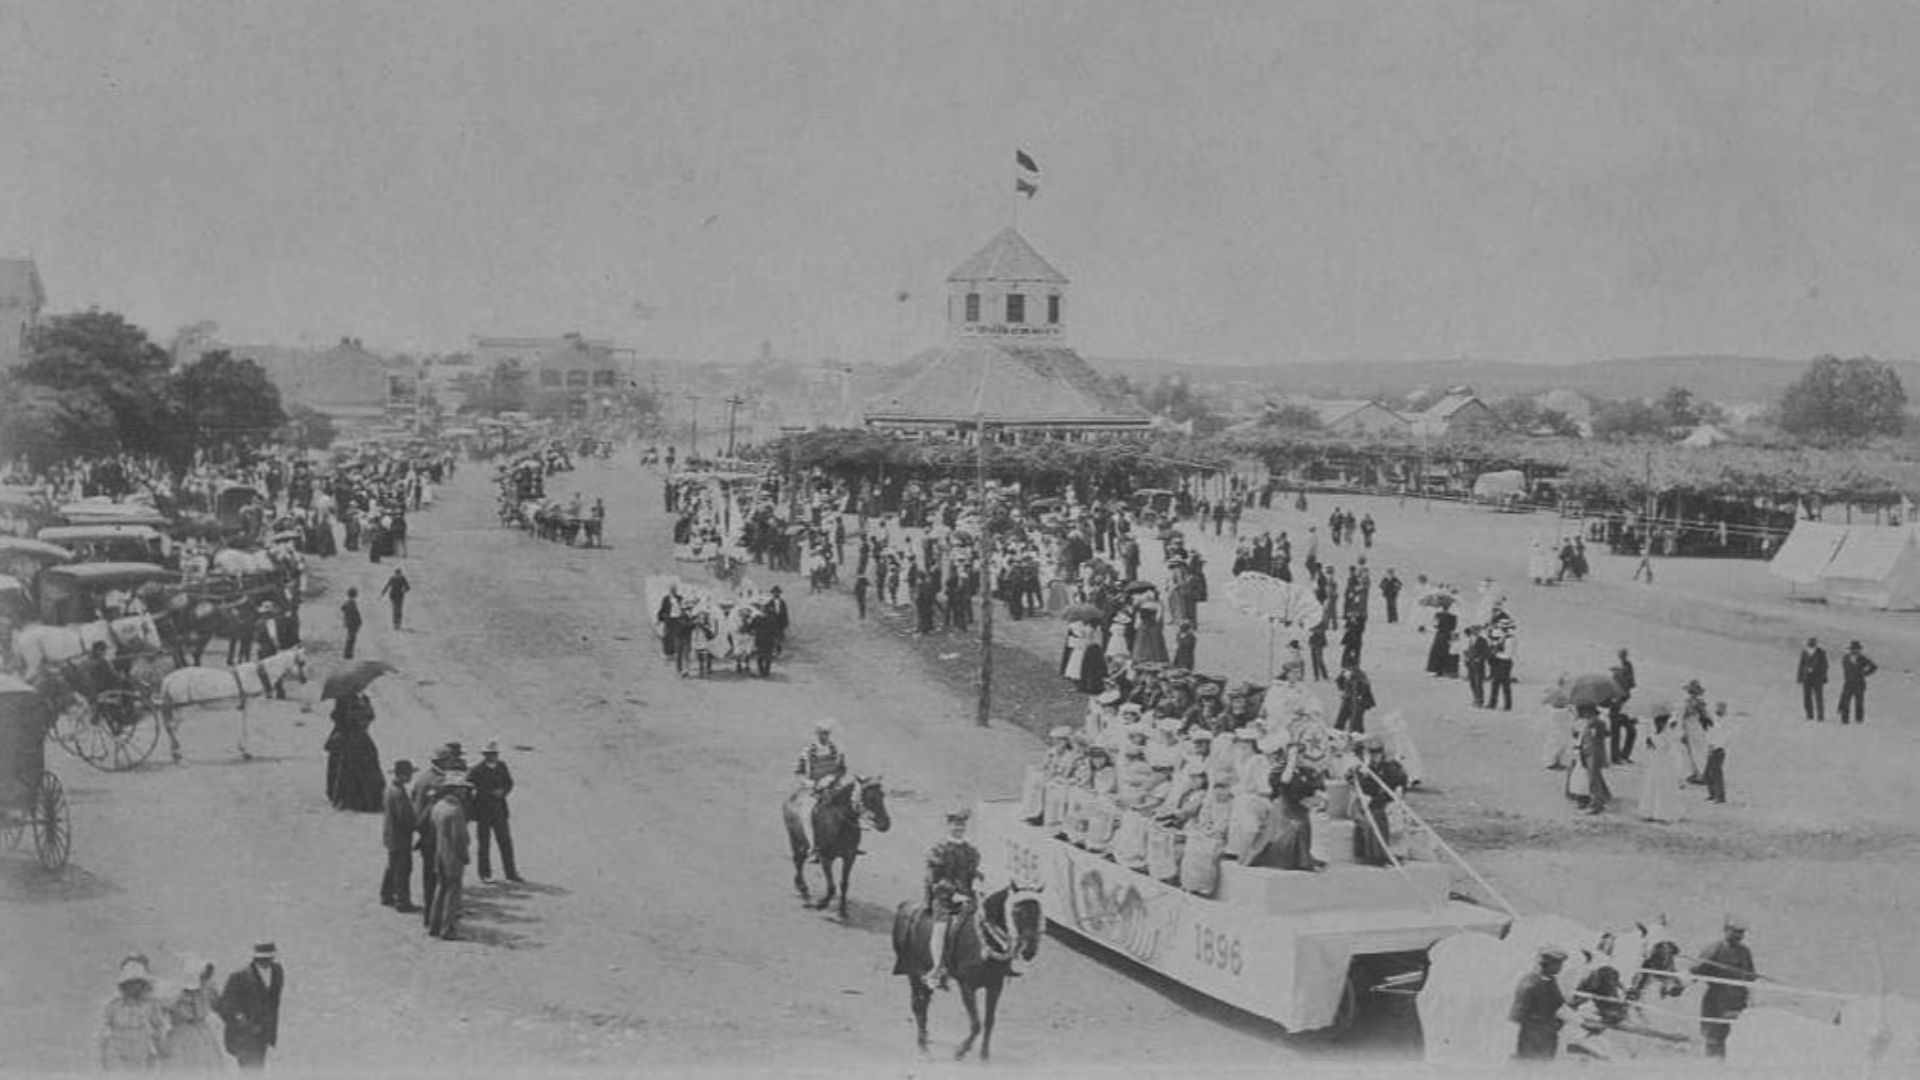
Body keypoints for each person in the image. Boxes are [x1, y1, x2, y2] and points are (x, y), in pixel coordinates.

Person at [925, 808, 982, 990]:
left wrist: (979, 882)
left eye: (961, 825)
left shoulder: (971, 851)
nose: (959, 828)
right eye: (955, 824)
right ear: (949, 826)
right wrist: (953, 893)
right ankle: (936, 969)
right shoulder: (938, 849)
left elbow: (973, 873)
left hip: (967, 897)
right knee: (941, 929)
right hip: (944, 898)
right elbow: (934, 879)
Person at [1691, 914, 1757, 1058]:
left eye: (1741, 933)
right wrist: (1682, 982)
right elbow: (1696, 971)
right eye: (1735, 932)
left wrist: (1750, 982)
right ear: (1726, 930)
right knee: (1714, 1039)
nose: (1739, 936)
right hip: (1716, 1002)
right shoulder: (1714, 948)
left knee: (1737, 1039)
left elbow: (1751, 976)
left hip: (1738, 1002)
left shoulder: (1745, 951)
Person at [215, 943, 284, 1070]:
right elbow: (225, 1006)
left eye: (270, 958)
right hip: (244, 1036)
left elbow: (273, 1001)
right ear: (255, 958)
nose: (267, 962)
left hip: (265, 1034)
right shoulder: (238, 977)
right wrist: (243, 1021)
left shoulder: (277, 972)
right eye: (263, 958)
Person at [98, 955, 168, 1073]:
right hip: (116, 1050)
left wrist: (161, 1049)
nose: (134, 987)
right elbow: (103, 1030)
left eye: (137, 983)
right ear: (124, 985)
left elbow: (159, 1029)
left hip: (141, 1050)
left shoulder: (150, 1006)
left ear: (143, 985)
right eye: (130, 983)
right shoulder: (114, 1006)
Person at [469, 739, 522, 883]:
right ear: (484, 755)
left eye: (494, 753)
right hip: (483, 811)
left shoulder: (502, 767)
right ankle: (485, 873)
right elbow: (468, 787)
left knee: (505, 842)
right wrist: (484, 796)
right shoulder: (477, 770)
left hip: (499, 810)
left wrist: (503, 792)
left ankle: (511, 873)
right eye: (489, 754)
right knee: (484, 844)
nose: (492, 756)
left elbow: (509, 783)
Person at [160, 954, 225, 1072]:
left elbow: (219, 1006)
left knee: (207, 1065)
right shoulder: (174, 993)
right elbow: (161, 1008)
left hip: (202, 1032)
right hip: (181, 1034)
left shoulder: (207, 990)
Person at [1350, 736, 1406, 866]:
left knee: (1382, 816)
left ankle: (1387, 854)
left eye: (1377, 752)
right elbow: (1358, 785)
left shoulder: (1392, 766)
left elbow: (1400, 782)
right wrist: (1360, 777)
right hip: (1371, 802)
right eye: (1372, 752)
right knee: (1371, 816)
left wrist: (1399, 790)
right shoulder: (1364, 769)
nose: (1375, 755)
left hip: (1387, 801)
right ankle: (1374, 855)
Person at [1509, 946, 1573, 1060]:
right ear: (1547, 963)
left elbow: (1557, 1003)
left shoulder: (1551, 981)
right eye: (1558, 964)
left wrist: (1557, 1022)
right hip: (1532, 1035)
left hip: (1547, 1034)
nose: (1560, 967)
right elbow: (1516, 1014)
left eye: (1561, 964)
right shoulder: (1530, 981)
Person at [428, 774, 472, 940]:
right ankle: (448, 929)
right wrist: (464, 856)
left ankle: (434, 925)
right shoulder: (455, 810)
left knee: (441, 889)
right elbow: (459, 838)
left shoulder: (439, 806)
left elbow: (433, 828)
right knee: (453, 893)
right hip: (453, 857)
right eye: (461, 788)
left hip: (440, 853)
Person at [324, 692, 383, 812]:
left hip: (358, 736)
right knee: (345, 768)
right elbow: (337, 716)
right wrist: (351, 714)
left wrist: (365, 706)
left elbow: (371, 716)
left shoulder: (362, 698)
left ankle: (367, 799)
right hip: (345, 736)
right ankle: (345, 799)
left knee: (368, 761)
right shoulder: (342, 699)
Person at [381, 759, 420, 911]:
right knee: (403, 869)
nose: (411, 777)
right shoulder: (398, 793)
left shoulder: (390, 789)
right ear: (403, 775)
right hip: (400, 837)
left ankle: (386, 894)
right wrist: (416, 825)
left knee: (392, 866)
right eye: (409, 774)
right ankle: (403, 902)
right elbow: (404, 817)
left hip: (391, 835)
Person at [1637, 706, 1686, 823]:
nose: (1657, 723)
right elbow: (1653, 749)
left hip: (1665, 763)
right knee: (1653, 786)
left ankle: (1663, 812)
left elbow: (1664, 746)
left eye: (1659, 721)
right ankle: (1651, 811)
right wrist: (1650, 740)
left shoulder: (1668, 731)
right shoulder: (1658, 732)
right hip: (1656, 763)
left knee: (1663, 787)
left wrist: (1653, 739)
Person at [1608, 647, 1637, 763]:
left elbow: (1632, 684)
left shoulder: (1628, 667)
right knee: (1617, 733)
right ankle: (1616, 757)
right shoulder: (1613, 681)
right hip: (1617, 707)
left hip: (1624, 705)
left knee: (1630, 731)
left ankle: (1622, 755)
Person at [1837, 640, 1876, 724]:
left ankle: (1859, 720)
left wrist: (1865, 673)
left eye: (1856, 649)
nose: (1854, 651)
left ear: (1859, 650)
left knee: (1859, 703)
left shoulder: (1862, 658)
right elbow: (1845, 669)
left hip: (1859, 684)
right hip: (1848, 683)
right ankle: (1844, 720)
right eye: (1852, 649)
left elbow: (1873, 667)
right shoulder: (1845, 658)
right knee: (1845, 701)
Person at [1703, 702, 1731, 804]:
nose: (1719, 710)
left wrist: (1716, 746)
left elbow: (1725, 738)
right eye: (1718, 708)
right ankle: (1713, 794)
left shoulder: (1725, 722)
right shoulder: (1715, 720)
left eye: (1721, 709)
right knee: (1709, 773)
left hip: (1718, 749)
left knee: (1716, 773)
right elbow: (1710, 733)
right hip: (1712, 749)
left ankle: (1720, 796)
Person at [1796, 637, 1828, 722]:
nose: (1811, 645)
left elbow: (1824, 666)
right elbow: (1801, 665)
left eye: (1812, 643)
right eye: (1810, 643)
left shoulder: (1821, 653)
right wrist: (1799, 677)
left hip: (1817, 678)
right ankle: (1809, 715)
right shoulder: (1804, 652)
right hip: (1806, 678)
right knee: (1807, 697)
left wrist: (1823, 676)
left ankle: (1820, 716)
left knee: (1818, 697)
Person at [340, 587, 362, 660]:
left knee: (350, 637)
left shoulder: (347, 603)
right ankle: (348, 653)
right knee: (351, 638)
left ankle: (348, 653)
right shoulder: (352, 603)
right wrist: (359, 621)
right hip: (353, 623)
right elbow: (356, 614)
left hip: (348, 622)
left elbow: (342, 608)